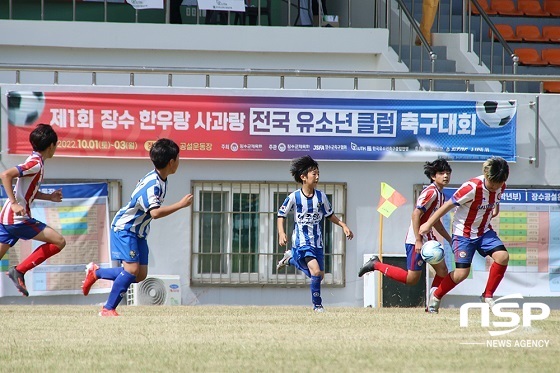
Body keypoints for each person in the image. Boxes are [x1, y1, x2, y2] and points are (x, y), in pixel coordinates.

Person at [81, 138, 193, 316]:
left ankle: (96, 272)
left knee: (140, 274)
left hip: (139, 232)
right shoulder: (153, 185)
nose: (180, 161)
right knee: (132, 270)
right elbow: (155, 213)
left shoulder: (160, 178)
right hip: (125, 228)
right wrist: (180, 205)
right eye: (178, 158)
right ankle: (108, 308)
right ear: (171, 162)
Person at [419, 156, 510, 313]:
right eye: (493, 184)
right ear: (487, 177)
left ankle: (487, 295)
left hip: (484, 230)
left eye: (499, 184)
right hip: (463, 233)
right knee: (462, 273)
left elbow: (495, 199)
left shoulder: (501, 185)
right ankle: (436, 296)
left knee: (503, 257)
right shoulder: (471, 187)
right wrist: (428, 223)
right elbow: (447, 205)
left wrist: (495, 209)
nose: (496, 187)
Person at [358, 159, 452, 295]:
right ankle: (375, 264)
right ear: (433, 176)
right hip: (416, 239)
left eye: (448, 173)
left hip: (428, 238)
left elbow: (435, 221)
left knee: (442, 271)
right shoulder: (430, 192)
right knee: (412, 279)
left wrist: (449, 238)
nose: (445, 176)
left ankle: (431, 304)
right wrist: (418, 240)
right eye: (441, 173)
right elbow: (415, 214)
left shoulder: (440, 195)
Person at [276, 155, 353, 312]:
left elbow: (329, 215)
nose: (317, 177)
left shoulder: (321, 197)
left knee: (319, 276)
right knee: (316, 272)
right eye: (314, 174)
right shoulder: (294, 197)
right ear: (303, 177)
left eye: (318, 173)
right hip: (302, 242)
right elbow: (281, 215)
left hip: (317, 242)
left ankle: (291, 259)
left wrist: (343, 225)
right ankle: (317, 305)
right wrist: (281, 233)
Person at [0, 123, 66, 297]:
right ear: (51, 146)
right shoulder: (36, 163)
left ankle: (19, 271)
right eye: (56, 145)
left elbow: (27, 192)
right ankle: (19, 271)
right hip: (17, 219)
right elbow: (5, 175)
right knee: (59, 241)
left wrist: (49, 197)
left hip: (7, 218)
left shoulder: (35, 160)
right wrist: (14, 203)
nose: (56, 149)